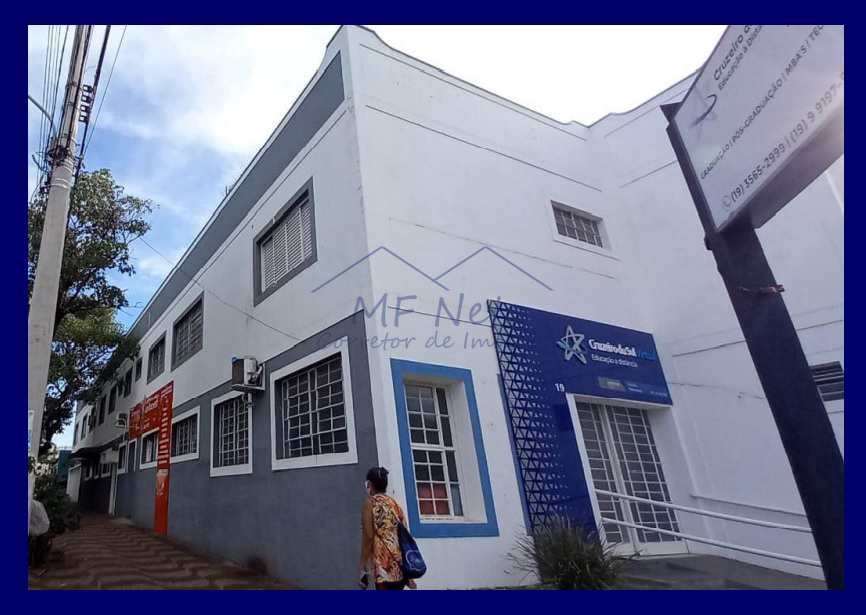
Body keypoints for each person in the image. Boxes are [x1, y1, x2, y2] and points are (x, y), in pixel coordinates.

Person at [359, 466, 417, 590]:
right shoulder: (394, 504)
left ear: (370, 484)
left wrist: (363, 565)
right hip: (399, 568)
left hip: (383, 567)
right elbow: (404, 533)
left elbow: (368, 537)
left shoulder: (369, 504)